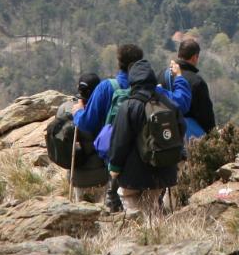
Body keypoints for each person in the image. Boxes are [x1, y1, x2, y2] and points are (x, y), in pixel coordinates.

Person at [75, 44, 190, 211]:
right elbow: (182, 104)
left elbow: (87, 123)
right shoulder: (159, 95)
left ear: (119, 62)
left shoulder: (107, 88)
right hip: (158, 163)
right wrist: (179, 77)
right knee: (152, 208)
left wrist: (78, 112)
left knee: (126, 208)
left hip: (123, 166)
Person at [105, 58, 185, 215]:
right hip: (162, 171)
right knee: (153, 204)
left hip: (132, 175)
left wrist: (114, 167)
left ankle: (142, 232)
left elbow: (119, 141)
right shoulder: (168, 103)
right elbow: (181, 129)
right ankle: (155, 232)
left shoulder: (128, 106)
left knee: (128, 199)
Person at [167, 36, 214, 141]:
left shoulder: (162, 75)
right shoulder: (197, 82)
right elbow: (206, 115)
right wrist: (213, 137)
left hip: (165, 137)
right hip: (188, 139)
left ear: (179, 55)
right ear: (194, 57)